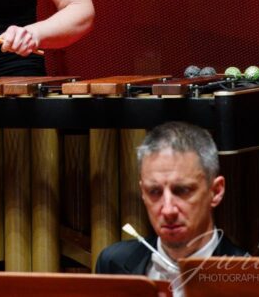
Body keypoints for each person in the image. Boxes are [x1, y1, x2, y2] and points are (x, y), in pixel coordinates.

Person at [95, 121, 246, 293]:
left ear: (216, 191)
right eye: (154, 192)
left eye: (182, 190)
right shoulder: (112, 264)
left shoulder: (251, 278)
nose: (168, 210)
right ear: (142, 192)